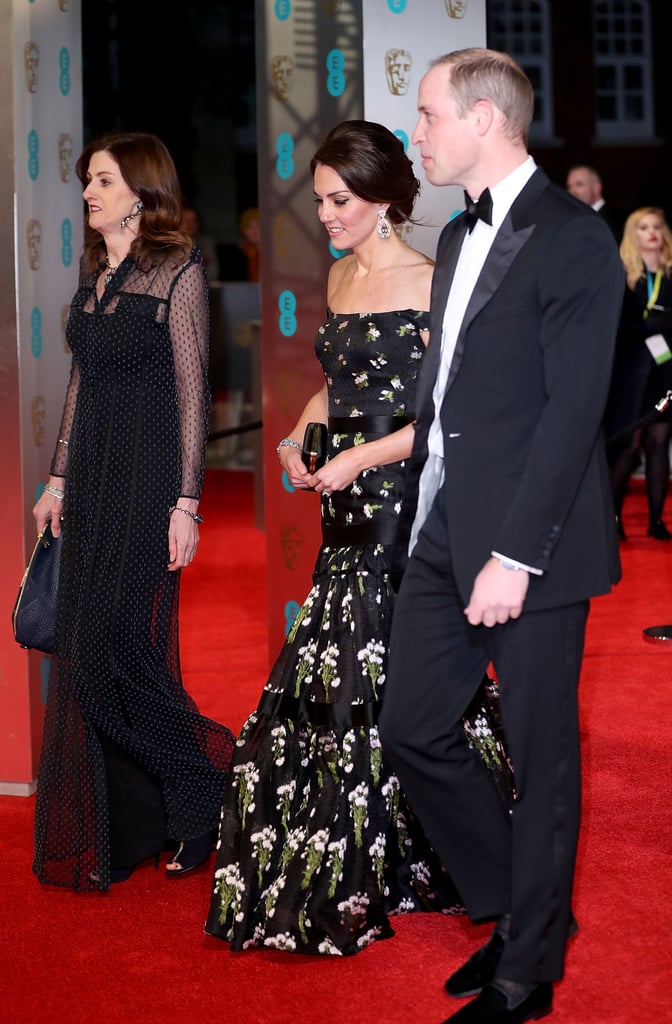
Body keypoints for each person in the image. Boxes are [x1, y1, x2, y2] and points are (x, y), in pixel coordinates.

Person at [205, 119, 513, 956]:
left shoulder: (429, 279)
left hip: (404, 502)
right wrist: (298, 436)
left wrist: (358, 461)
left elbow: (447, 416)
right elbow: (336, 389)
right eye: (320, 201)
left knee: (370, 664)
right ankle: (403, 847)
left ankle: (407, 852)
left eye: (341, 201)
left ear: (383, 200)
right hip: (342, 501)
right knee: (361, 670)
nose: (327, 215)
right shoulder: (340, 278)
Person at [378, 49, 623, 1023]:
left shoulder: (572, 240)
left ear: (485, 118)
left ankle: (528, 962)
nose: (418, 133)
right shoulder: (453, 236)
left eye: (429, 114)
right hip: (443, 527)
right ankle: (521, 906)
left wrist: (515, 554)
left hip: (536, 544)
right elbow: (449, 401)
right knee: (412, 727)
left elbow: (572, 416)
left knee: (541, 755)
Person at [32, 131, 235, 891]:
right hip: (90, 482)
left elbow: (192, 395)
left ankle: (204, 777)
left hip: (150, 485)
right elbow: (80, 390)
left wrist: (188, 502)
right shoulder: (98, 276)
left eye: (104, 181)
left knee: (122, 646)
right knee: (87, 658)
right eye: (88, 180)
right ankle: (160, 807)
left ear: (142, 194)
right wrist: (56, 482)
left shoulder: (176, 273)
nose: (88, 192)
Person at [605, 206, 672, 540]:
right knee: (629, 445)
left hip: (664, 370)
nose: (651, 233)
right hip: (630, 373)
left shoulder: (671, 276)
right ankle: (612, 518)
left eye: (657, 227)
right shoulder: (621, 274)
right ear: (634, 233)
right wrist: (646, 326)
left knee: (659, 442)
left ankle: (657, 521)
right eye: (644, 227)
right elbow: (613, 326)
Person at [566, 163, 626, 242]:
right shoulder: (570, 221)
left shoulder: (618, 220)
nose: (572, 191)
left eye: (579, 184)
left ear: (596, 188)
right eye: (569, 186)